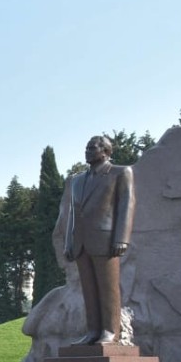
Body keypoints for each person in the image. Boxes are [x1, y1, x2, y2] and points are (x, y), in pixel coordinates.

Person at [62, 134, 136, 344]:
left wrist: (122, 238)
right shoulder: (77, 181)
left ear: (105, 151)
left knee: (108, 288)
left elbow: (126, 206)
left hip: (106, 240)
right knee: (89, 290)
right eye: (86, 148)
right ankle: (92, 331)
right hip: (81, 243)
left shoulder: (120, 173)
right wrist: (69, 241)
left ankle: (110, 332)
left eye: (92, 148)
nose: (87, 151)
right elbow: (73, 214)